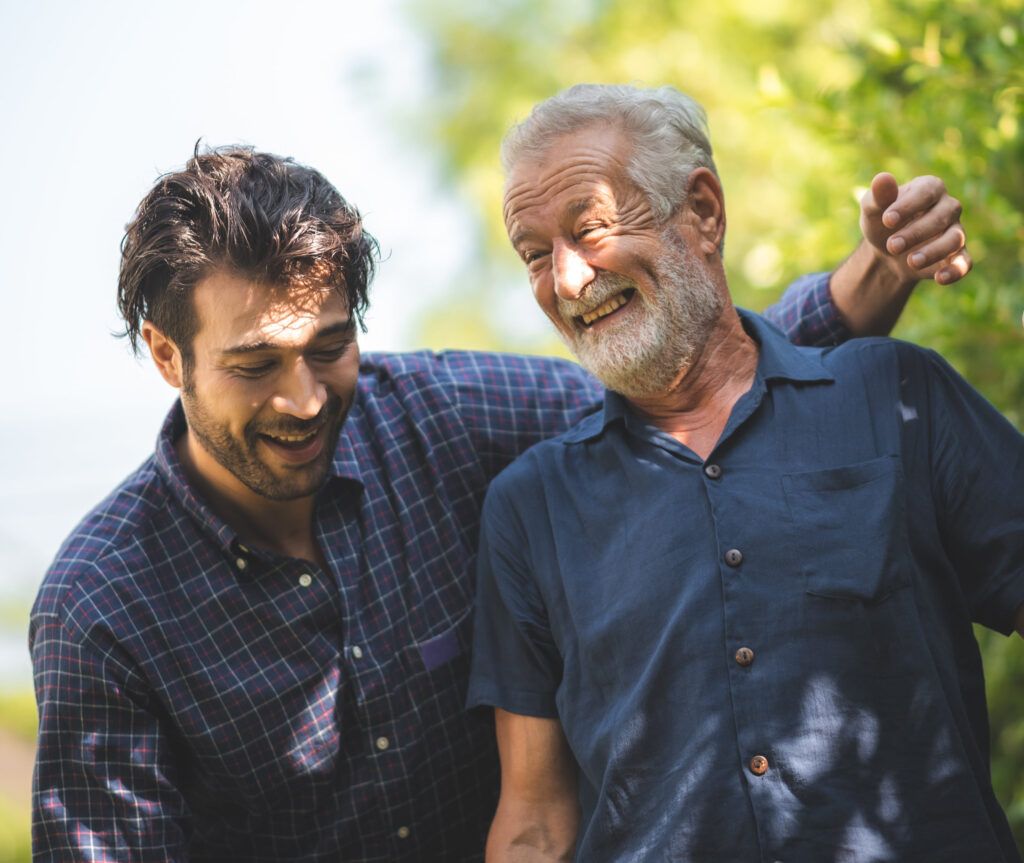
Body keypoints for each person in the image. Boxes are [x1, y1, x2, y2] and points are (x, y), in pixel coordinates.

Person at [31, 143, 970, 863]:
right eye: (254, 365)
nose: (306, 397)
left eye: (327, 347)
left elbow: (683, 397)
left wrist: (870, 279)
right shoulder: (102, 606)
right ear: (167, 356)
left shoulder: (445, 416)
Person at [469, 84, 1024, 863]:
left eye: (588, 229)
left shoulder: (895, 396)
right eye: (534, 255)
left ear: (702, 211)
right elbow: (535, 824)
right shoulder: (530, 508)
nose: (566, 280)